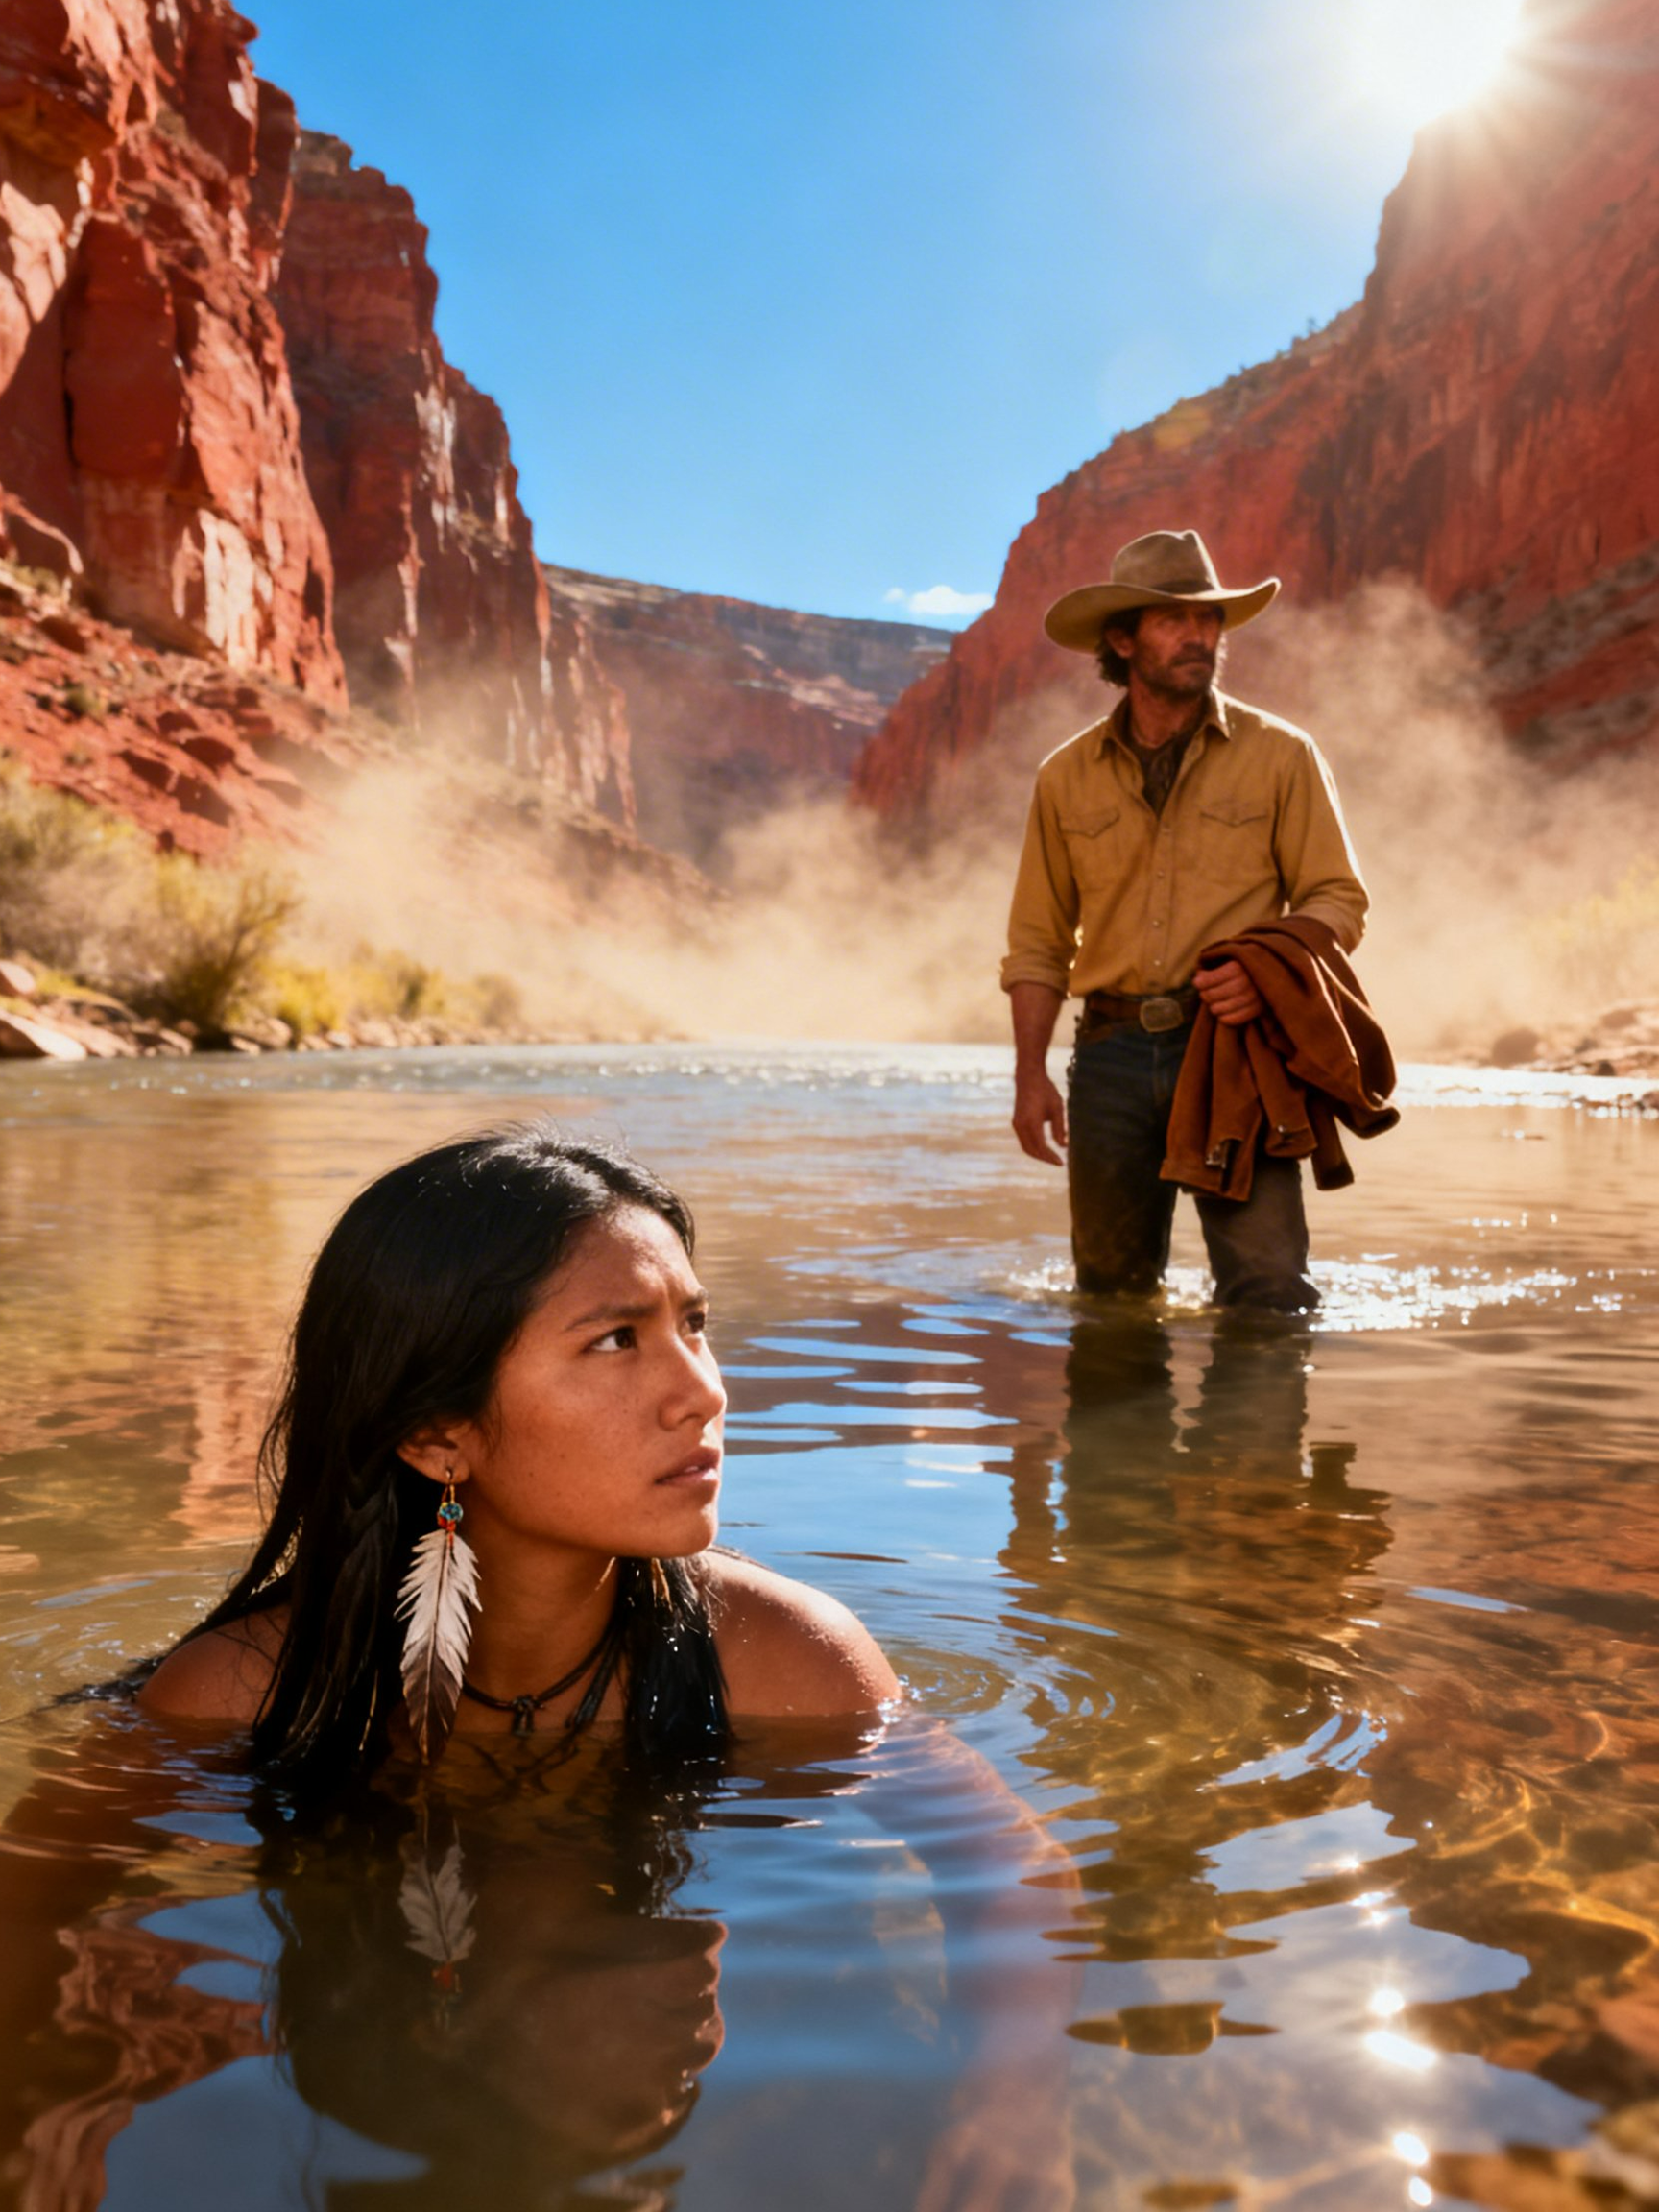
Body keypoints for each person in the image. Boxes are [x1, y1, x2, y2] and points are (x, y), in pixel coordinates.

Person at [140, 1123, 899, 1781]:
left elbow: (1002, 1902)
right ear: (437, 1435)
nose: (703, 1393)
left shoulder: (796, 1670)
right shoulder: (233, 1701)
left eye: (693, 1323)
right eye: (615, 1340)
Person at [1001, 527, 1369, 1310]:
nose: (1201, 636)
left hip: (1240, 1053)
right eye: (1175, 620)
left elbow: (1338, 898)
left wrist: (1266, 975)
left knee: (1269, 1292)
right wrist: (1029, 1074)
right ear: (1122, 639)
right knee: (1109, 1298)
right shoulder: (1064, 778)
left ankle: (1256, 1434)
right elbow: (1037, 942)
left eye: (1210, 620)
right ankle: (1117, 1435)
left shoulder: (1283, 755)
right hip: (1109, 1059)